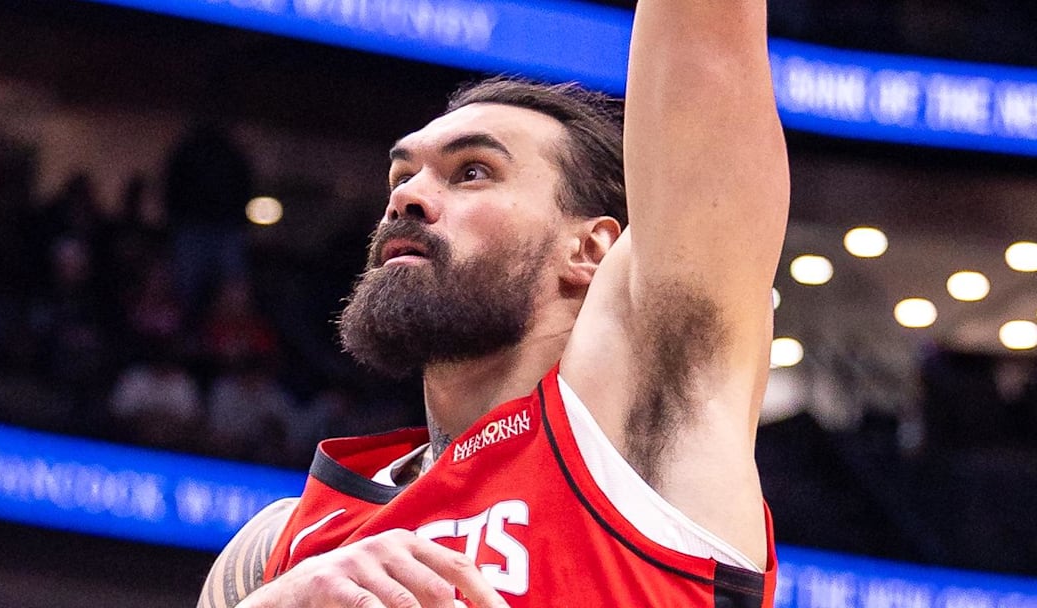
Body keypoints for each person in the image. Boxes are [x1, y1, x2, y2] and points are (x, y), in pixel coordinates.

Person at [198, 0, 789, 605]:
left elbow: (708, 54)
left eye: (472, 172)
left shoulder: (647, 427)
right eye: (401, 176)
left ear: (591, 249)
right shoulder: (278, 545)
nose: (408, 198)